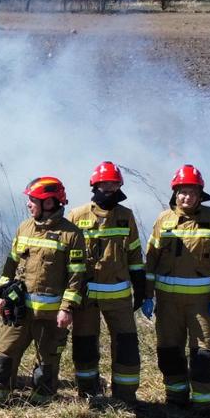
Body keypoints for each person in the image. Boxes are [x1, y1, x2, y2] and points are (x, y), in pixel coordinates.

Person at [0, 177, 89, 405]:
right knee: (5, 352)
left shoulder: (71, 235)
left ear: (49, 202)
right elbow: (10, 265)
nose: (28, 204)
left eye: (33, 200)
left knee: (47, 361)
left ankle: (42, 400)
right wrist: (2, 295)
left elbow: (76, 278)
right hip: (19, 311)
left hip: (51, 316)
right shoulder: (24, 228)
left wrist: (67, 309)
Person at [142, 165, 210, 411]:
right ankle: (176, 399)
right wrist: (147, 295)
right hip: (167, 303)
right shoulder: (163, 219)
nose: (187, 197)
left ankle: (206, 406)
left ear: (200, 195)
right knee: (169, 352)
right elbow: (150, 260)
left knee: (203, 354)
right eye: (183, 192)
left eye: (193, 192)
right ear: (175, 193)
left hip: (201, 304)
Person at [68, 161, 148, 404]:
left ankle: (125, 397)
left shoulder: (126, 216)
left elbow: (134, 254)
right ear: (95, 185)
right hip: (86, 296)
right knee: (84, 344)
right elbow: (67, 257)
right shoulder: (77, 215)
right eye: (105, 184)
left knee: (126, 345)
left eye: (114, 184)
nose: (110, 189)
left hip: (118, 296)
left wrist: (141, 287)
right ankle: (88, 393)